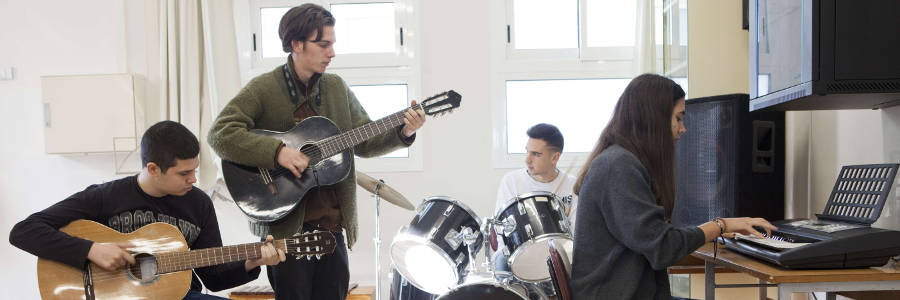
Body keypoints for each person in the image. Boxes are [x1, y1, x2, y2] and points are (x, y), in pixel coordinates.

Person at [207, 3, 425, 300]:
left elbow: (363, 140)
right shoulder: (264, 88)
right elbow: (220, 133)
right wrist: (277, 153)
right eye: (323, 44)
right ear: (296, 44)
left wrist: (404, 131)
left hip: (332, 231)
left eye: (333, 44)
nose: (332, 52)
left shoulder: (336, 88)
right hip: (286, 234)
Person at [9, 121, 285, 300]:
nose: (193, 179)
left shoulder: (198, 204)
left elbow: (213, 278)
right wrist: (90, 250)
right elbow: (24, 232)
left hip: (176, 296)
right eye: (184, 173)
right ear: (153, 169)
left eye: (195, 170)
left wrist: (254, 260)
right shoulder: (106, 196)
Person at [570, 74, 778, 299]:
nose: (683, 128)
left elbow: (655, 239)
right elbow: (663, 248)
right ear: (655, 119)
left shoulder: (620, 161)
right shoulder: (618, 166)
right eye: (679, 118)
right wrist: (721, 225)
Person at [495, 123, 578, 226]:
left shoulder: (573, 185)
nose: (527, 160)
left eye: (536, 154)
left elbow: (577, 231)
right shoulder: (511, 181)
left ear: (555, 158)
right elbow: (501, 228)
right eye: (527, 151)